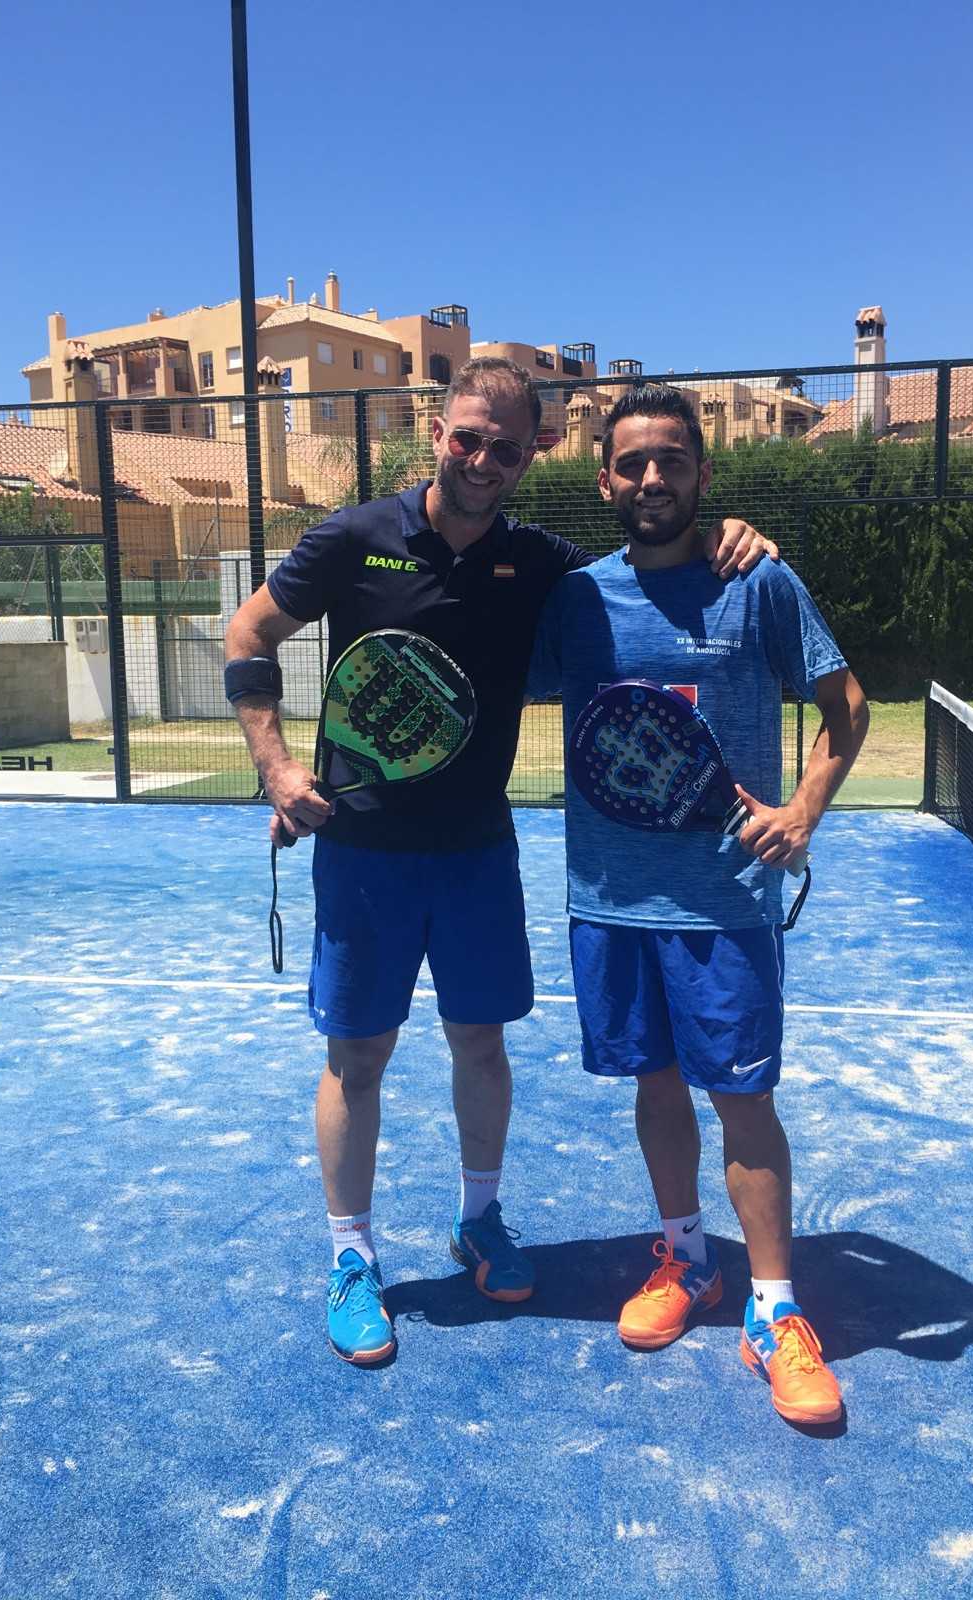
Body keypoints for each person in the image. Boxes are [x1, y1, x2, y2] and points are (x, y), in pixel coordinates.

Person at [224, 358, 774, 1366]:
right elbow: (249, 629)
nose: (483, 460)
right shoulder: (354, 537)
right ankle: (353, 1257)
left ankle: (479, 1220)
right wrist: (276, 766)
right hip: (363, 855)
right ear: (439, 433)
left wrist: (728, 536)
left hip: (478, 851)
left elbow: (650, 560)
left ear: (533, 456)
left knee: (480, 1045)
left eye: (506, 448)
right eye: (469, 439)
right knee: (358, 1057)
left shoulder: (543, 564)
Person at [527, 384, 868, 1424]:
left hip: (725, 904)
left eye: (671, 461)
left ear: (703, 474)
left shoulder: (758, 581)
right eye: (632, 463)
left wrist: (802, 812)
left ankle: (775, 1308)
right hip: (612, 899)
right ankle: (686, 1259)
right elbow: (490, 650)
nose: (652, 479)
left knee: (744, 1101)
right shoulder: (576, 599)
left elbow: (847, 708)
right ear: (604, 481)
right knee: (656, 1083)